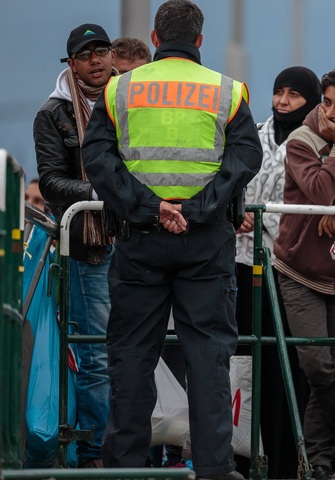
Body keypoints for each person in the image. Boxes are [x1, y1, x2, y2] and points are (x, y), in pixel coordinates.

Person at [80, 1, 262, 479]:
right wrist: (197, 210)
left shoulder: (119, 89)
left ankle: (125, 471)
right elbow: (246, 158)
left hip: (139, 241)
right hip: (206, 243)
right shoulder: (228, 91)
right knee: (208, 361)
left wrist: (148, 207)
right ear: (199, 40)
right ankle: (213, 470)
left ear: (155, 39)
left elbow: (97, 159)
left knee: (132, 360)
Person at [271, 67, 335, 480]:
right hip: (299, 269)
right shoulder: (304, 138)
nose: (330, 112)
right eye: (326, 102)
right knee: (316, 365)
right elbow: (319, 191)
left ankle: (316, 464)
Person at [33, 22, 118, 469]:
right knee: (97, 354)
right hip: (88, 247)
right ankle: (95, 454)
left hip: (138, 240)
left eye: (102, 50)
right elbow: (50, 182)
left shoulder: (129, 100)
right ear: (71, 63)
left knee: (140, 349)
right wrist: (102, 194)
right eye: (86, 54)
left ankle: (141, 451)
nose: (96, 60)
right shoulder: (53, 114)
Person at [233, 65, 321, 478]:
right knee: (245, 361)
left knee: (289, 364)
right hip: (242, 265)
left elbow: (318, 199)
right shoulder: (252, 133)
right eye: (279, 92)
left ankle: (288, 462)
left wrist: (265, 219)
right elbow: (229, 178)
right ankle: (243, 456)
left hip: (292, 270)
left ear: (310, 101)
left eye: (294, 95)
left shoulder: (318, 143)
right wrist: (236, 211)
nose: (283, 102)